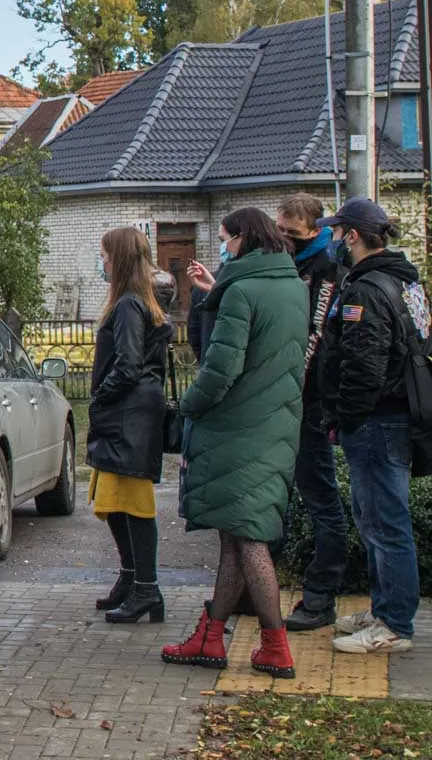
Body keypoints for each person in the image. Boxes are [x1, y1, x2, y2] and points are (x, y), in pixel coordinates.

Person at [164, 209, 309, 677]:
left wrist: (187, 405)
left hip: (239, 430)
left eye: (226, 240)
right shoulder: (292, 286)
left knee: (249, 540)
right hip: (274, 425)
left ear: (244, 238)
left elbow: (221, 369)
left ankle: (275, 646)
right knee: (235, 536)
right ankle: (211, 637)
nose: (223, 249)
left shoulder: (242, 292)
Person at [318, 198, 422, 656]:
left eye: (337, 233)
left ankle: (394, 623)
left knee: (385, 522)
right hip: (392, 414)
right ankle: (384, 608)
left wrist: (347, 417)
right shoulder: (403, 281)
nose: (334, 241)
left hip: (378, 420)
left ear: (353, 236)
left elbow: (365, 363)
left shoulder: (367, 289)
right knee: (376, 517)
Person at [86, 227, 172, 627]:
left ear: (118, 259)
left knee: (133, 507)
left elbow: (127, 364)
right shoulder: (142, 302)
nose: (101, 263)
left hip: (127, 417)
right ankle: (133, 579)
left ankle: (146, 587)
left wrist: (101, 395)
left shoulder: (128, 305)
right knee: (117, 504)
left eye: (104, 256)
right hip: (133, 416)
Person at [273, 194, 349, 632]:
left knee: (320, 497)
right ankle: (262, 584)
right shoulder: (292, 263)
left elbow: (314, 338)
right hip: (287, 401)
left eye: (293, 233)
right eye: (280, 229)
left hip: (309, 404)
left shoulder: (325, 270)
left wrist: (295, 391)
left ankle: (321, 595)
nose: (285, 239)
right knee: (277, 498)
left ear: (315, 230)